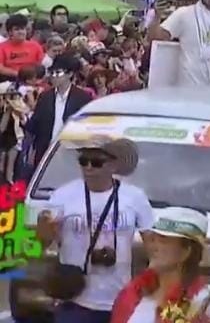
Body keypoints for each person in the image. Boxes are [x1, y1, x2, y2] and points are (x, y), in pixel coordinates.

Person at [36, 136, 154, 323]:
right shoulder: (63, 196)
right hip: (74, 298)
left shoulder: (135, 198)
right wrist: (45, 228)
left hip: (120, 299)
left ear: (113, 165)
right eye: (83, 161)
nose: (88, 168)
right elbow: (42, 243)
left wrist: (150, 284)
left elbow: (152, 246)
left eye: (97, 162)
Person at [111, 207, 210, 323]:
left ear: (186, 251)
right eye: (153, 239)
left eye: (163, 240)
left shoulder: (206, 301)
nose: (153, 247)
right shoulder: (132, 295)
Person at [26, 53, 92, 171]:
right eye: (52, 73)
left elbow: (87, 129)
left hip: (71, 153)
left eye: (58, 73)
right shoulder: (45, 97)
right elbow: (35, 125)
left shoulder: (83, 98)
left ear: (70, 74)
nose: (54, 77)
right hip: (45, 151)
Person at [0, 14, 44, 81]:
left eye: (22, 29)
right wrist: (19, 74)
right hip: (10, 80)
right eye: (17, 29)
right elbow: (1, 68)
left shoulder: (36, 46)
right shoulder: (2, 47)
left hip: (33, 79)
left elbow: (40, 65)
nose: (21, 32)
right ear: (10, 32)